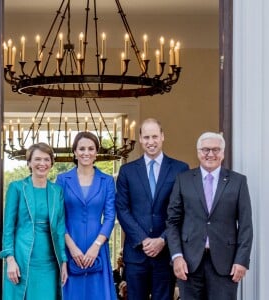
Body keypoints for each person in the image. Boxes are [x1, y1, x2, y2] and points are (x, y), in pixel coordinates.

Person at [166, 132, 253, 300]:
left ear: (223, 153)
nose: (210, 154)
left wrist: (242, 260)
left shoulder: (238, 181)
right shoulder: (183, 180)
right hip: (189, 263)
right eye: (206, 149)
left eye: (216, 149)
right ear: (198, 152)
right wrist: (177, 256)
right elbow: (172, 222)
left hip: (226, 264)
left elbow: (246, 225)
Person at [116, 118, 189, 300]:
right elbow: (122, 209)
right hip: (136, 254)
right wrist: (144, 240)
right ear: (140, 139)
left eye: (155, 136)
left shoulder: (180, 169)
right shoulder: (127, 171)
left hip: (166, 253)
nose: (151, 142)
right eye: (146, 137)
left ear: (162, 137)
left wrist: (162, 240)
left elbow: (184, 210)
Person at [0, 143, 68, 300]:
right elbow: (8, 227)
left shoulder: (57, 191)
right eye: (37, 159)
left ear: (51, 163)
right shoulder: (16, 188)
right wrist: (10, 259)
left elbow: (60, 228)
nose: (42, 163)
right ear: (29, 162)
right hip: (22, 260)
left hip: (50, 263)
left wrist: (63, 260)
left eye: (46, 159)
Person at [56, 131, 116, 300]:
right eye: (81, 148)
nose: (86, 153)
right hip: (69, 245)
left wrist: (96, 246)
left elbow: (110, 216)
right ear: (75, 152)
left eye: (91, 148)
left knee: (97, 293)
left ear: (96, 152)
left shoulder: (107, 180)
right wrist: (72, 249)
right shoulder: (62, 180)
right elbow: (58, 218)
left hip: (97, 246)